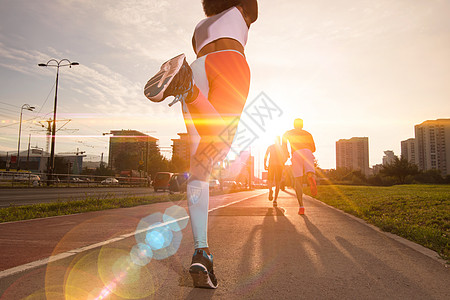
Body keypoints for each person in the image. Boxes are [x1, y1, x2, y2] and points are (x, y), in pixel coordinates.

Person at [144, 0, 258, 289]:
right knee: (219, 146)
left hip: (197, 66)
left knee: (200, 169)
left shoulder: (200, 27)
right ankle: (189, 90)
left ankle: (201, 252)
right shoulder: (243, 13)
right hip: (229, 63)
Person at [282, 119, 317, 215]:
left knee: (298, 180)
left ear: (294, 125)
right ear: (302, 125)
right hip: (308, 152)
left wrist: (287, 154)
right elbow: (314, 148)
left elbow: (283, 145)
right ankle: (310, 177)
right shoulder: (308, 134)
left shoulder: (288, 133)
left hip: (296, 153)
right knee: (311, 172)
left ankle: (301, 207)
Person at [264, 136, 285, 206]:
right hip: (279, 166)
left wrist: (265, 164)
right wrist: (283, 163)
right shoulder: (282, 148)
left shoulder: (270, 147)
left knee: (269, 180)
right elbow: (285, 157)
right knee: (278, 183)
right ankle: (275, 200)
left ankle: (270, 190)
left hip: (271, 165)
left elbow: (266, 155)